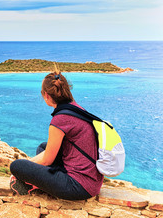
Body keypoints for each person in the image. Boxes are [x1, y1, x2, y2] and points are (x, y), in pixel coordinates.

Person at [9, 71, 103, 200]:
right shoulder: (76, 109)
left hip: (78, 186)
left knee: (17, 166)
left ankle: (33, 185)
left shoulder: (60, 119)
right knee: (43, 147)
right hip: (92, 181)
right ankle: (39, 182)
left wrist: (27, 166)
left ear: (46, 95)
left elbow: (47, 160)